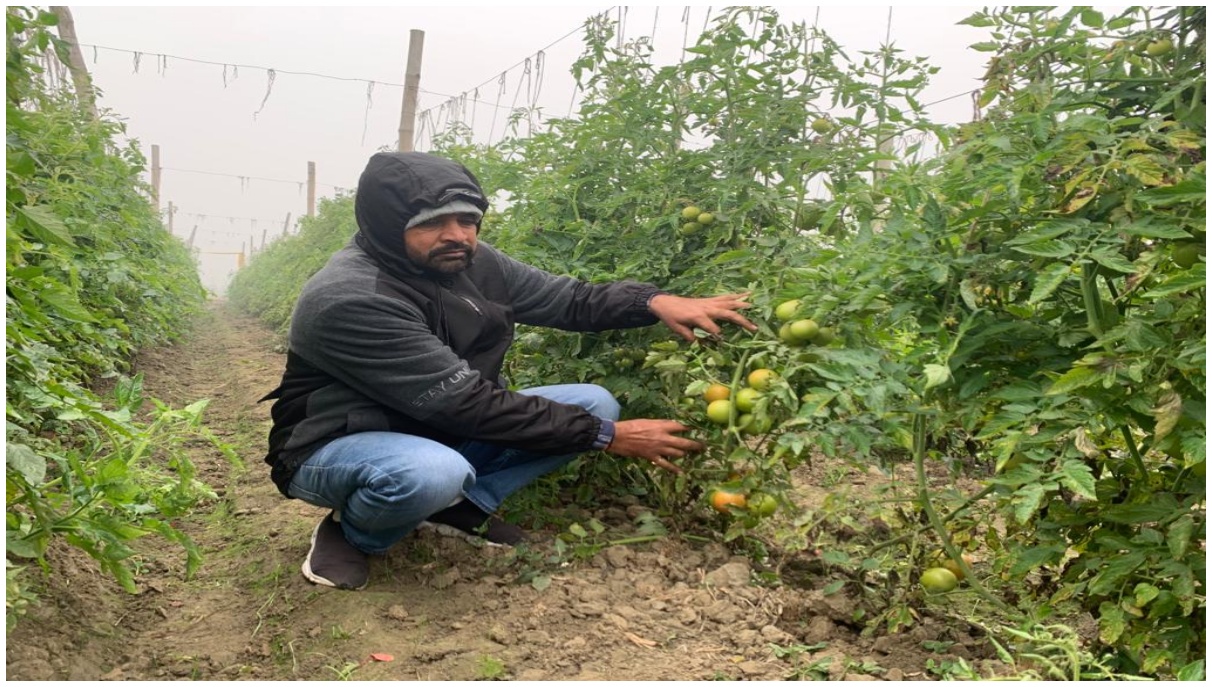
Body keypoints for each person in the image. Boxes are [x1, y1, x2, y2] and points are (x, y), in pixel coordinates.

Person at [262, 151, 756, 590]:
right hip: (341, 442)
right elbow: (467, 405)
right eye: (433, 222)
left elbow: (569, 300)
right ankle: (353, 532)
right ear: (388, 225)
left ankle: (461, 507)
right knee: (433, 471)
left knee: (594, 404)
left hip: (439, 425)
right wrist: (604, 437)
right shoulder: (352, 297)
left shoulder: (472, 263)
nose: (457, 235)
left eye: (468, 219)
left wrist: (652, 301)